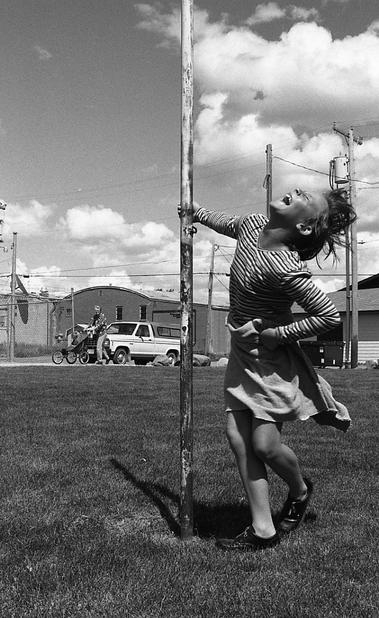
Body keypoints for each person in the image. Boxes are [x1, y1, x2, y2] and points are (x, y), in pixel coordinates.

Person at [184, 187, 355, 551]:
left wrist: (279, 333)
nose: (294, 190)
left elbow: (327, 315)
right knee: (238, 438)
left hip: (270, 358)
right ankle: (263, 528)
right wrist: (195, 211)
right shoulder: (252, 224)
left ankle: (299, 489)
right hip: (242, 350)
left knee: (264, 444)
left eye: (304, 196)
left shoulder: (286, 266)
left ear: (306, 227)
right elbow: (226, 222)